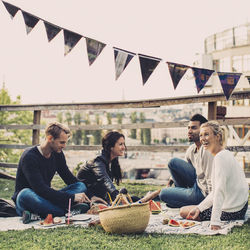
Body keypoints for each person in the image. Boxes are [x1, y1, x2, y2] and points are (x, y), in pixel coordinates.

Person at [12, 122, 90, 223]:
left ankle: (45, 212)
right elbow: (40, 190)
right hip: (30, 199)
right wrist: (72, 197)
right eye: (62, 142)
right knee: (24, 194)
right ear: (50, 138)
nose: (64, 146)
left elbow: (70, 179)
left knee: (80, 186)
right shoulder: (29, 157)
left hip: (47, 198)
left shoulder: (57, 154)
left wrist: (88, 196)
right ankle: (67, 211)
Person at [180, 121, 248, 230]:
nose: (202, 139)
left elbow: (219, 191)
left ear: (218, 136)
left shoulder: (220, 158)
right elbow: (216, 190)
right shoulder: (225, 154)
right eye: (201, 135)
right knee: (193, 209)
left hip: (233, 211)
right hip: (241, 206)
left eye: (206, 134)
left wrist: (215, 221)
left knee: (183, 211)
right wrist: (199, 208)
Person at [159, 114, 214, 208]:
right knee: (173, 163)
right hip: (195, 183)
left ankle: (182, 200)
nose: (189, 131)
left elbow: (211, 181)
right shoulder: (191, 149)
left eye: (193, 128)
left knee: (163, 194)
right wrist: (171, 180)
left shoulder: (208, 150)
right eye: (188, 128)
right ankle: (181, 197)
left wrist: (208, 202)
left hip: (202, 192)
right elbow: (181, 169)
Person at [77, 131, 126, 203]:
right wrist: (116, 194)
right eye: (120, 144)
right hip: (86, 195)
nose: (123, 147)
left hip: (99, 195)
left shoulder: (112, 160)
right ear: (111, 147)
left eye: (124, 144)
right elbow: (104, 179)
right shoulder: (97, 161)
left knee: (133, 198)